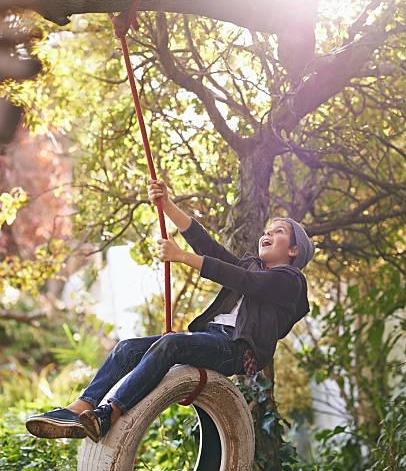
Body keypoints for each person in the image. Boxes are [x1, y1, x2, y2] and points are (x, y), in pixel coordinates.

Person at [26, 179, 314, 442]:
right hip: (214, 338)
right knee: (126, 349)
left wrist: (181, 257)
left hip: (235, 348)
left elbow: (245, 281)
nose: (268, 233)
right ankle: (80, 408)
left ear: (293, 251)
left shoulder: (291, 281)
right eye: (268, 229)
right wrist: (167, 205)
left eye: (279, 232)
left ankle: (108, 414)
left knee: (172, 343)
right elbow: (208, 246)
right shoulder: (252, 267)